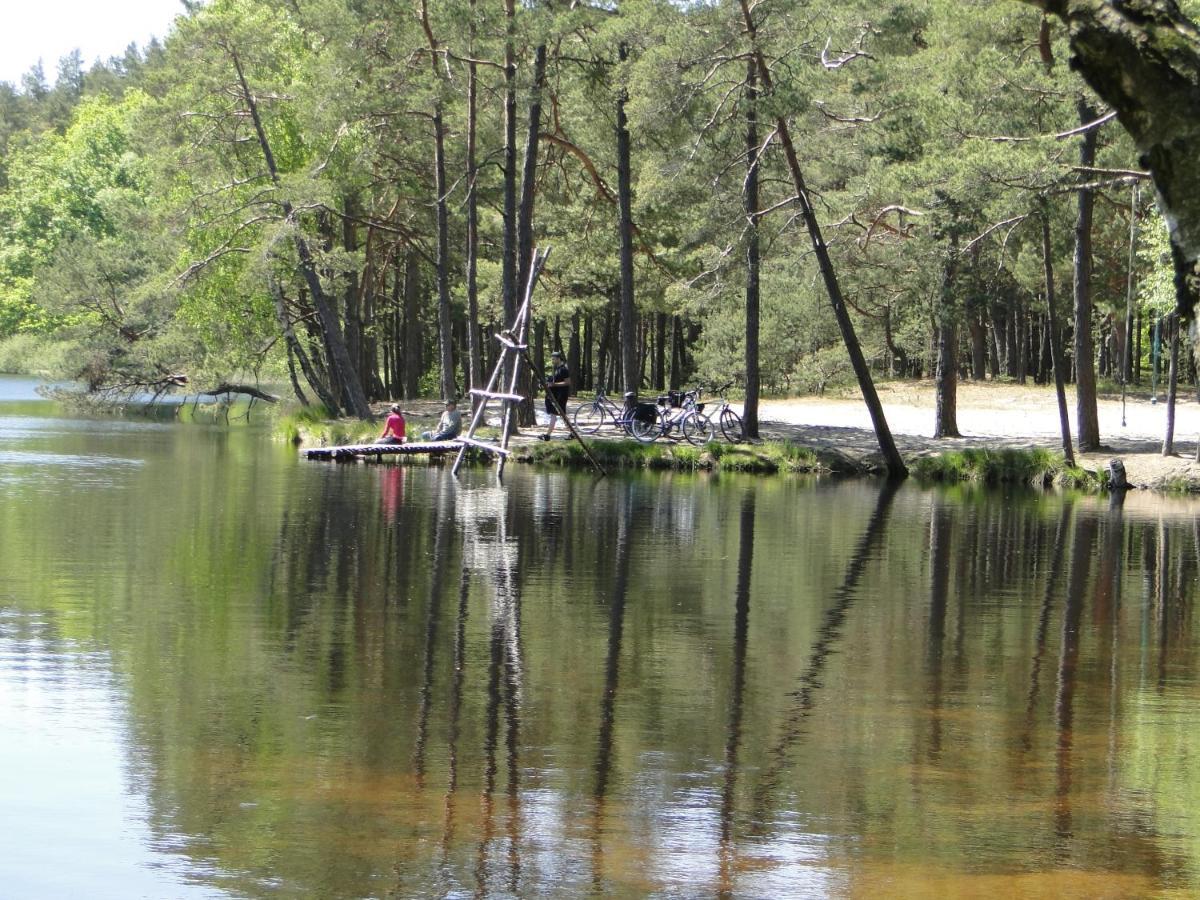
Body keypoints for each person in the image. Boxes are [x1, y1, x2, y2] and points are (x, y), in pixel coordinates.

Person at [540, 350, 571, 441]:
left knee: (558, 414)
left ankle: (548, 435)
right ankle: (571, 433)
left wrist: (554, 385)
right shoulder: (557, 369)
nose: (552, 361)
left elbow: (568, 382)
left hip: (562, 395)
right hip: (557, 395)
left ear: (558, 359)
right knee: (560, 415)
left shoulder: (563, 369)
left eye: (553, 359)